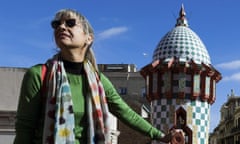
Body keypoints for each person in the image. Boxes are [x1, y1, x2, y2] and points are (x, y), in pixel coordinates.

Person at [14, 9, 182, 144]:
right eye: (56, 24)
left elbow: (127, 114)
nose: (62, 27)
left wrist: (161, 135)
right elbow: (24, 129)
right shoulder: (39, 75)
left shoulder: (99, 81)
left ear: (89, 38)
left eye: (70, 23)